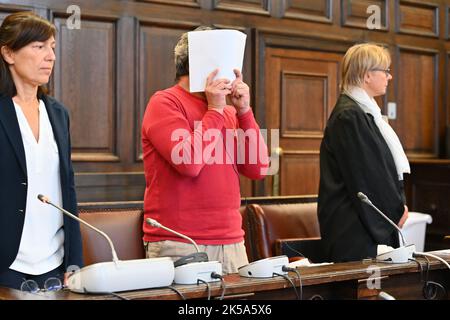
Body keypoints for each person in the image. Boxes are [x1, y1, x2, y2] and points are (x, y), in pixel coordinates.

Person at [141, 27, 269, 274]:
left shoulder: (228, 110)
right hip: (180, 243)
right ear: (198, 62)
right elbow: (189, 164)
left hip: (232, 241)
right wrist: (214, 110)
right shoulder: (164, 102)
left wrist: (244, 112)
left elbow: (259, 168)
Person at [0, 12, 83, 290]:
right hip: (7, 265)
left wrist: (74, 261)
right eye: (39, 47)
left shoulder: (58, 113)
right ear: (9, 53)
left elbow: (67, 187)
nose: (50, 56)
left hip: (55, 264)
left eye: (52, 47)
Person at [318, 43, 410, 262]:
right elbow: (367, 176)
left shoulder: (363, 112)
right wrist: (394, 212)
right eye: (385, 71)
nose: (389, 77)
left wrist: (397, 207)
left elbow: (379, 168)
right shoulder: (349, 116)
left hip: (365, 223)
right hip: (354, 229)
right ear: (367, 75)